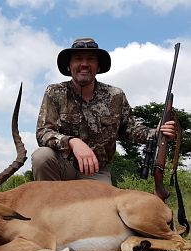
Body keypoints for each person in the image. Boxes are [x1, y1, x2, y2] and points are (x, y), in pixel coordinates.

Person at [31, 37, 175, 184]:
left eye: (91, 59)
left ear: (98, 66)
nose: (84, 64)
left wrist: (156, 133)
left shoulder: (116, 95)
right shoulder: (55, 92)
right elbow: (43, 132)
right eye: (78, 58)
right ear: (69, 65)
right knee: (41, 157)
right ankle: (51, 204)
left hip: (96, 171)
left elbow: (130, 130)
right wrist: (73, 142)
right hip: (63, 166)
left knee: (103, 207)